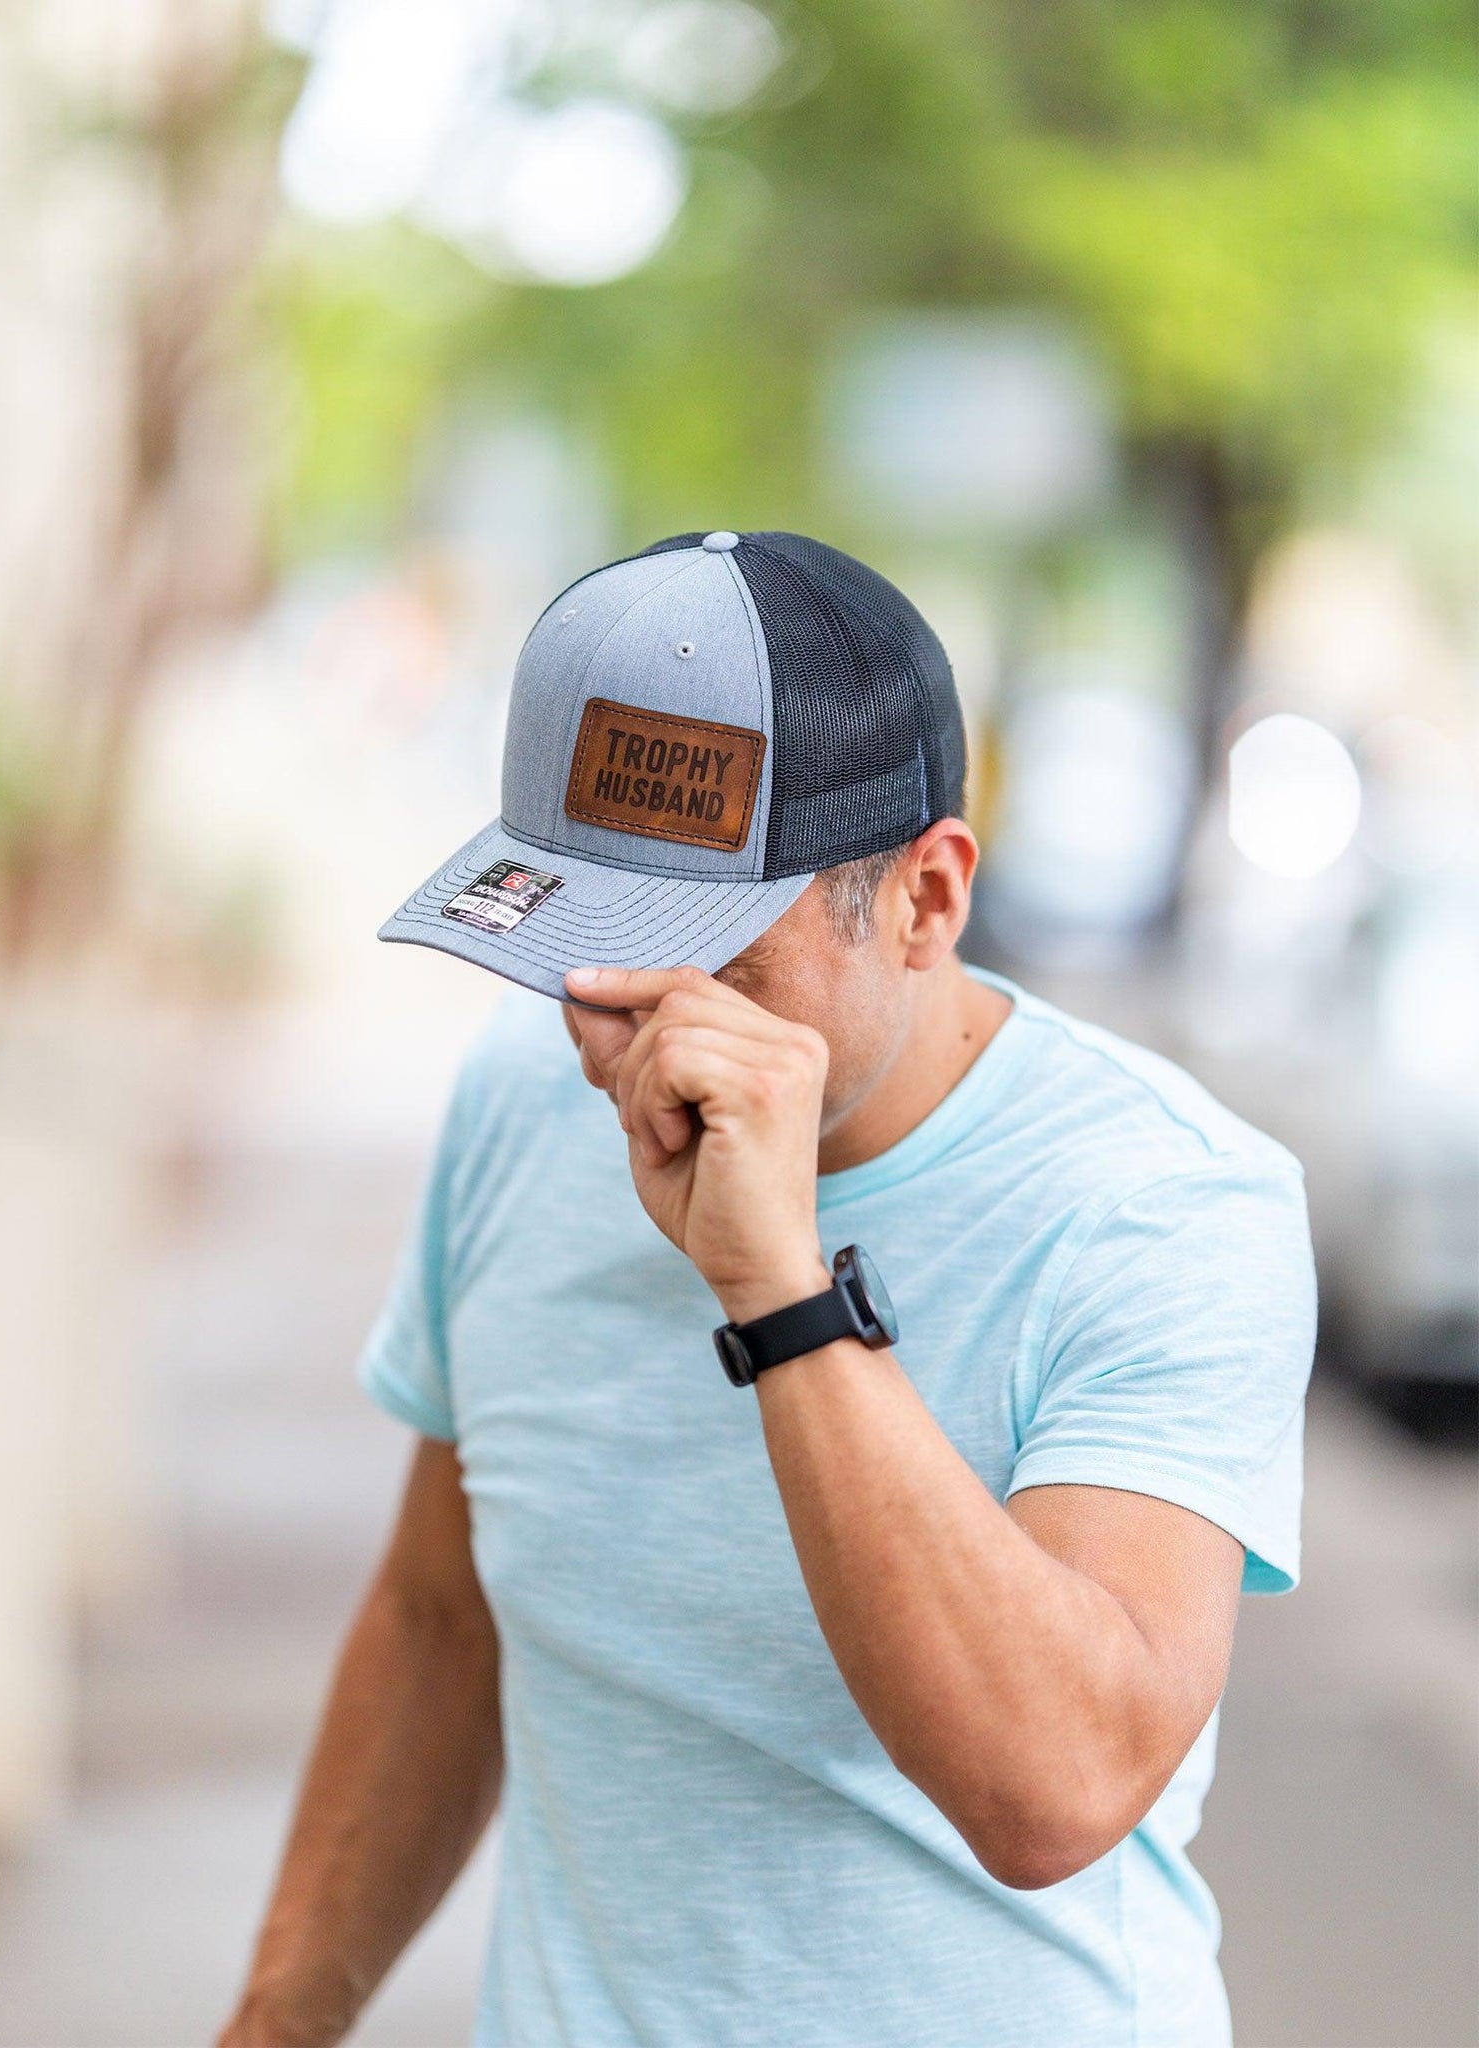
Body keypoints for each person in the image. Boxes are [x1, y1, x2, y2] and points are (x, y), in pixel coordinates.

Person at [219, 531, 1317, 2048]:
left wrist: (779, 1287)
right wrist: (273, 2024)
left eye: (707, 960)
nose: (626, 1035)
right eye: (579, 945)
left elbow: (1054, 1787)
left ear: (926, 899)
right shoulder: (522, 1101)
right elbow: (439, 1617)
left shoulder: (1166, 1205)